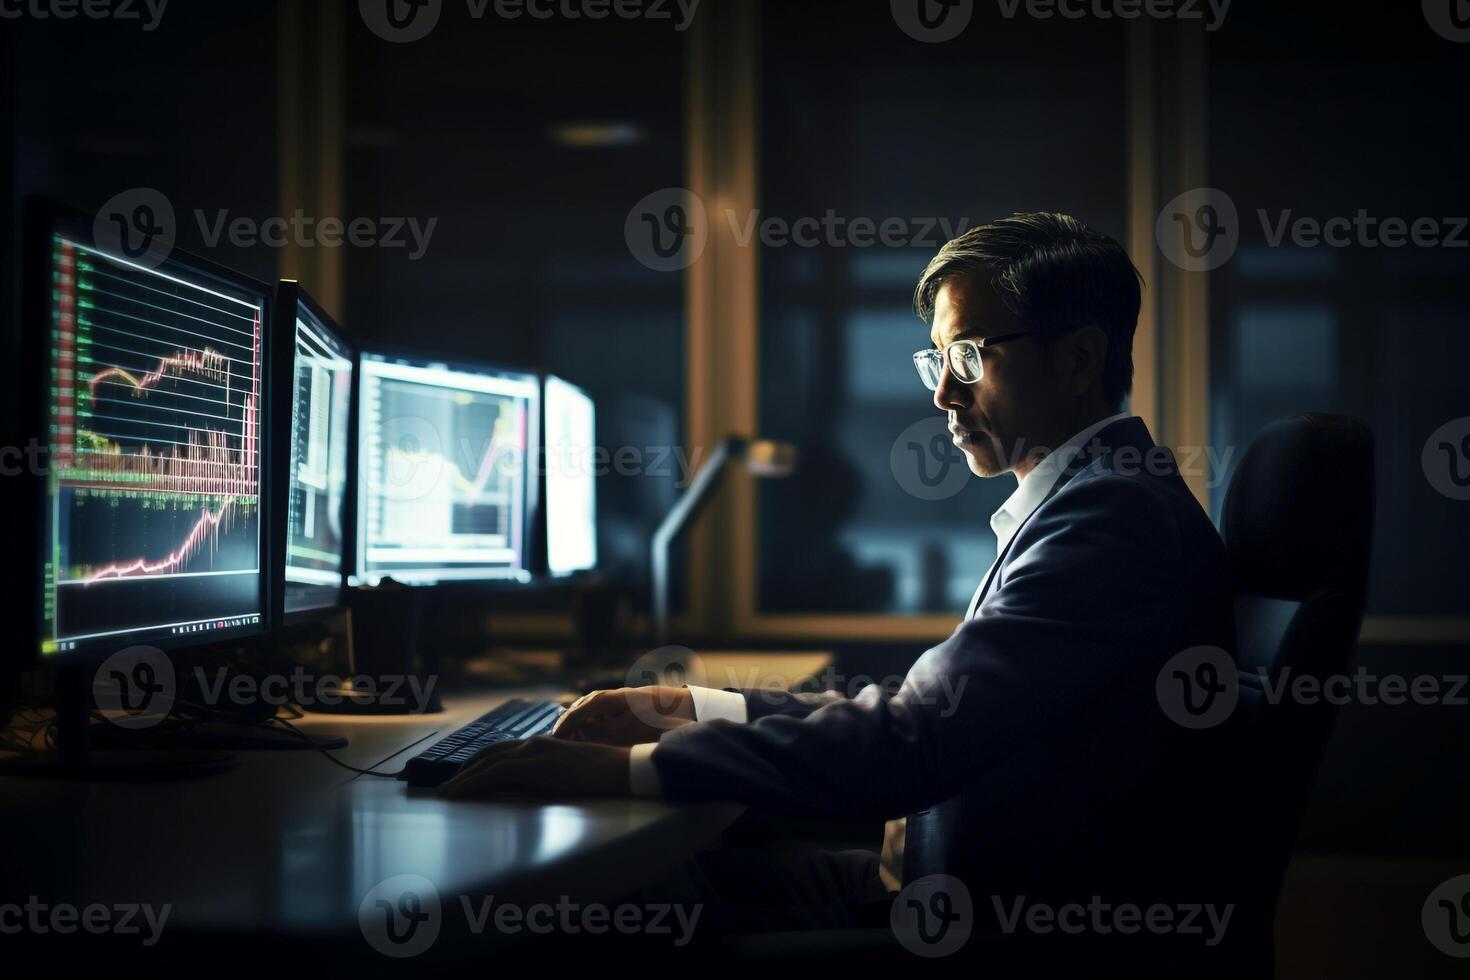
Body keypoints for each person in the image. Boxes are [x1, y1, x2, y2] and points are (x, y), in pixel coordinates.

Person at [439, 213, 1240, 966]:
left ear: (1077, 359)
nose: (942, 396)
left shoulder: (1108, 522)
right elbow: (933, 714)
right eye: (938, 361)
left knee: (566, 927)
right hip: (929, 888)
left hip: (977, 926)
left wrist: (626, 768)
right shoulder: (1097, 502)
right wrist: (697, 710)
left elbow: (914, 745)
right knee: (620, 896)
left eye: (969, 357)